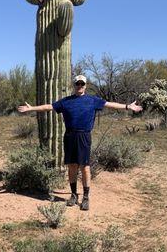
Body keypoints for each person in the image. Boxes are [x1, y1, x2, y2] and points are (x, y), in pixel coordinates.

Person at [18, 74, 143, 211]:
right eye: (77, 84)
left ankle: (86, 197)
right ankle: (73, 195)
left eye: (82, 84)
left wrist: (127, 106)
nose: (79, 86)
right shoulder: (66, 101)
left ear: (85, 85)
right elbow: (50, 107)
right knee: (72, 166)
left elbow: (109, 104)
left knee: (84, 167)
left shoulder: (92, 100)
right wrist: (32, 108)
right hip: (70, 135)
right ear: (74, 85)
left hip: (84, 136)